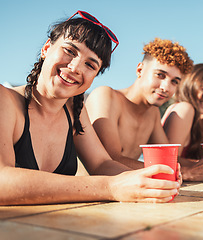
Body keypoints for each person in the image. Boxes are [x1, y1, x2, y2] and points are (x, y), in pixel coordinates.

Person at [0, 11, 180, 206]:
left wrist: (151, 179)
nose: (75, 67)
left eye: (90, 64)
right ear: (46, 48)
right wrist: (110, 187)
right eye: (69, 51)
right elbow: (2, 180)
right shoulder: (6, 100)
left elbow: (101, 164)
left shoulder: (74, 109)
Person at [86, 38, 193, 170]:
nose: (166, 87)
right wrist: (183, 172)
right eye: (160, 75)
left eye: (174, 82)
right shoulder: (106, 96)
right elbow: (110, 160)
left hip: (127, 189)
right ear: (140, 70)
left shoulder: (152, 112)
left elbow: (169, 158)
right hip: (86, 189)